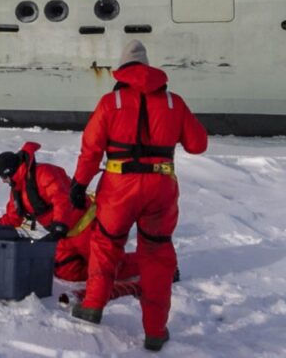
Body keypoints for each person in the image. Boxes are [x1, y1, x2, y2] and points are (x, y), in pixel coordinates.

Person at [70, 40, 209, 352]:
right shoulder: (174, 102)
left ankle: (92, 307)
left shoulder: (110, 102)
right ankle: (156, 331)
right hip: (160, 186)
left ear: (122, 69)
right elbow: (199, 144)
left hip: (119, 187)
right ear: (148, 67)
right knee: (157, 256)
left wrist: (79, 184)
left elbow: (91, 150)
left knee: (106, 245)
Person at [0, 141, 139, 286]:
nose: (4, 182)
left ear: (10, 173)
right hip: (62, 237)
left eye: (4, 178)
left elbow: (62, 198)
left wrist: (59, 226)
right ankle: (96, 278)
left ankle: (150, 264)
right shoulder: (18, 190)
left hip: (87, 228)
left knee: (112, 266)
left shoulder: (44, 173)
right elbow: (12, 217)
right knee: (64, 270)